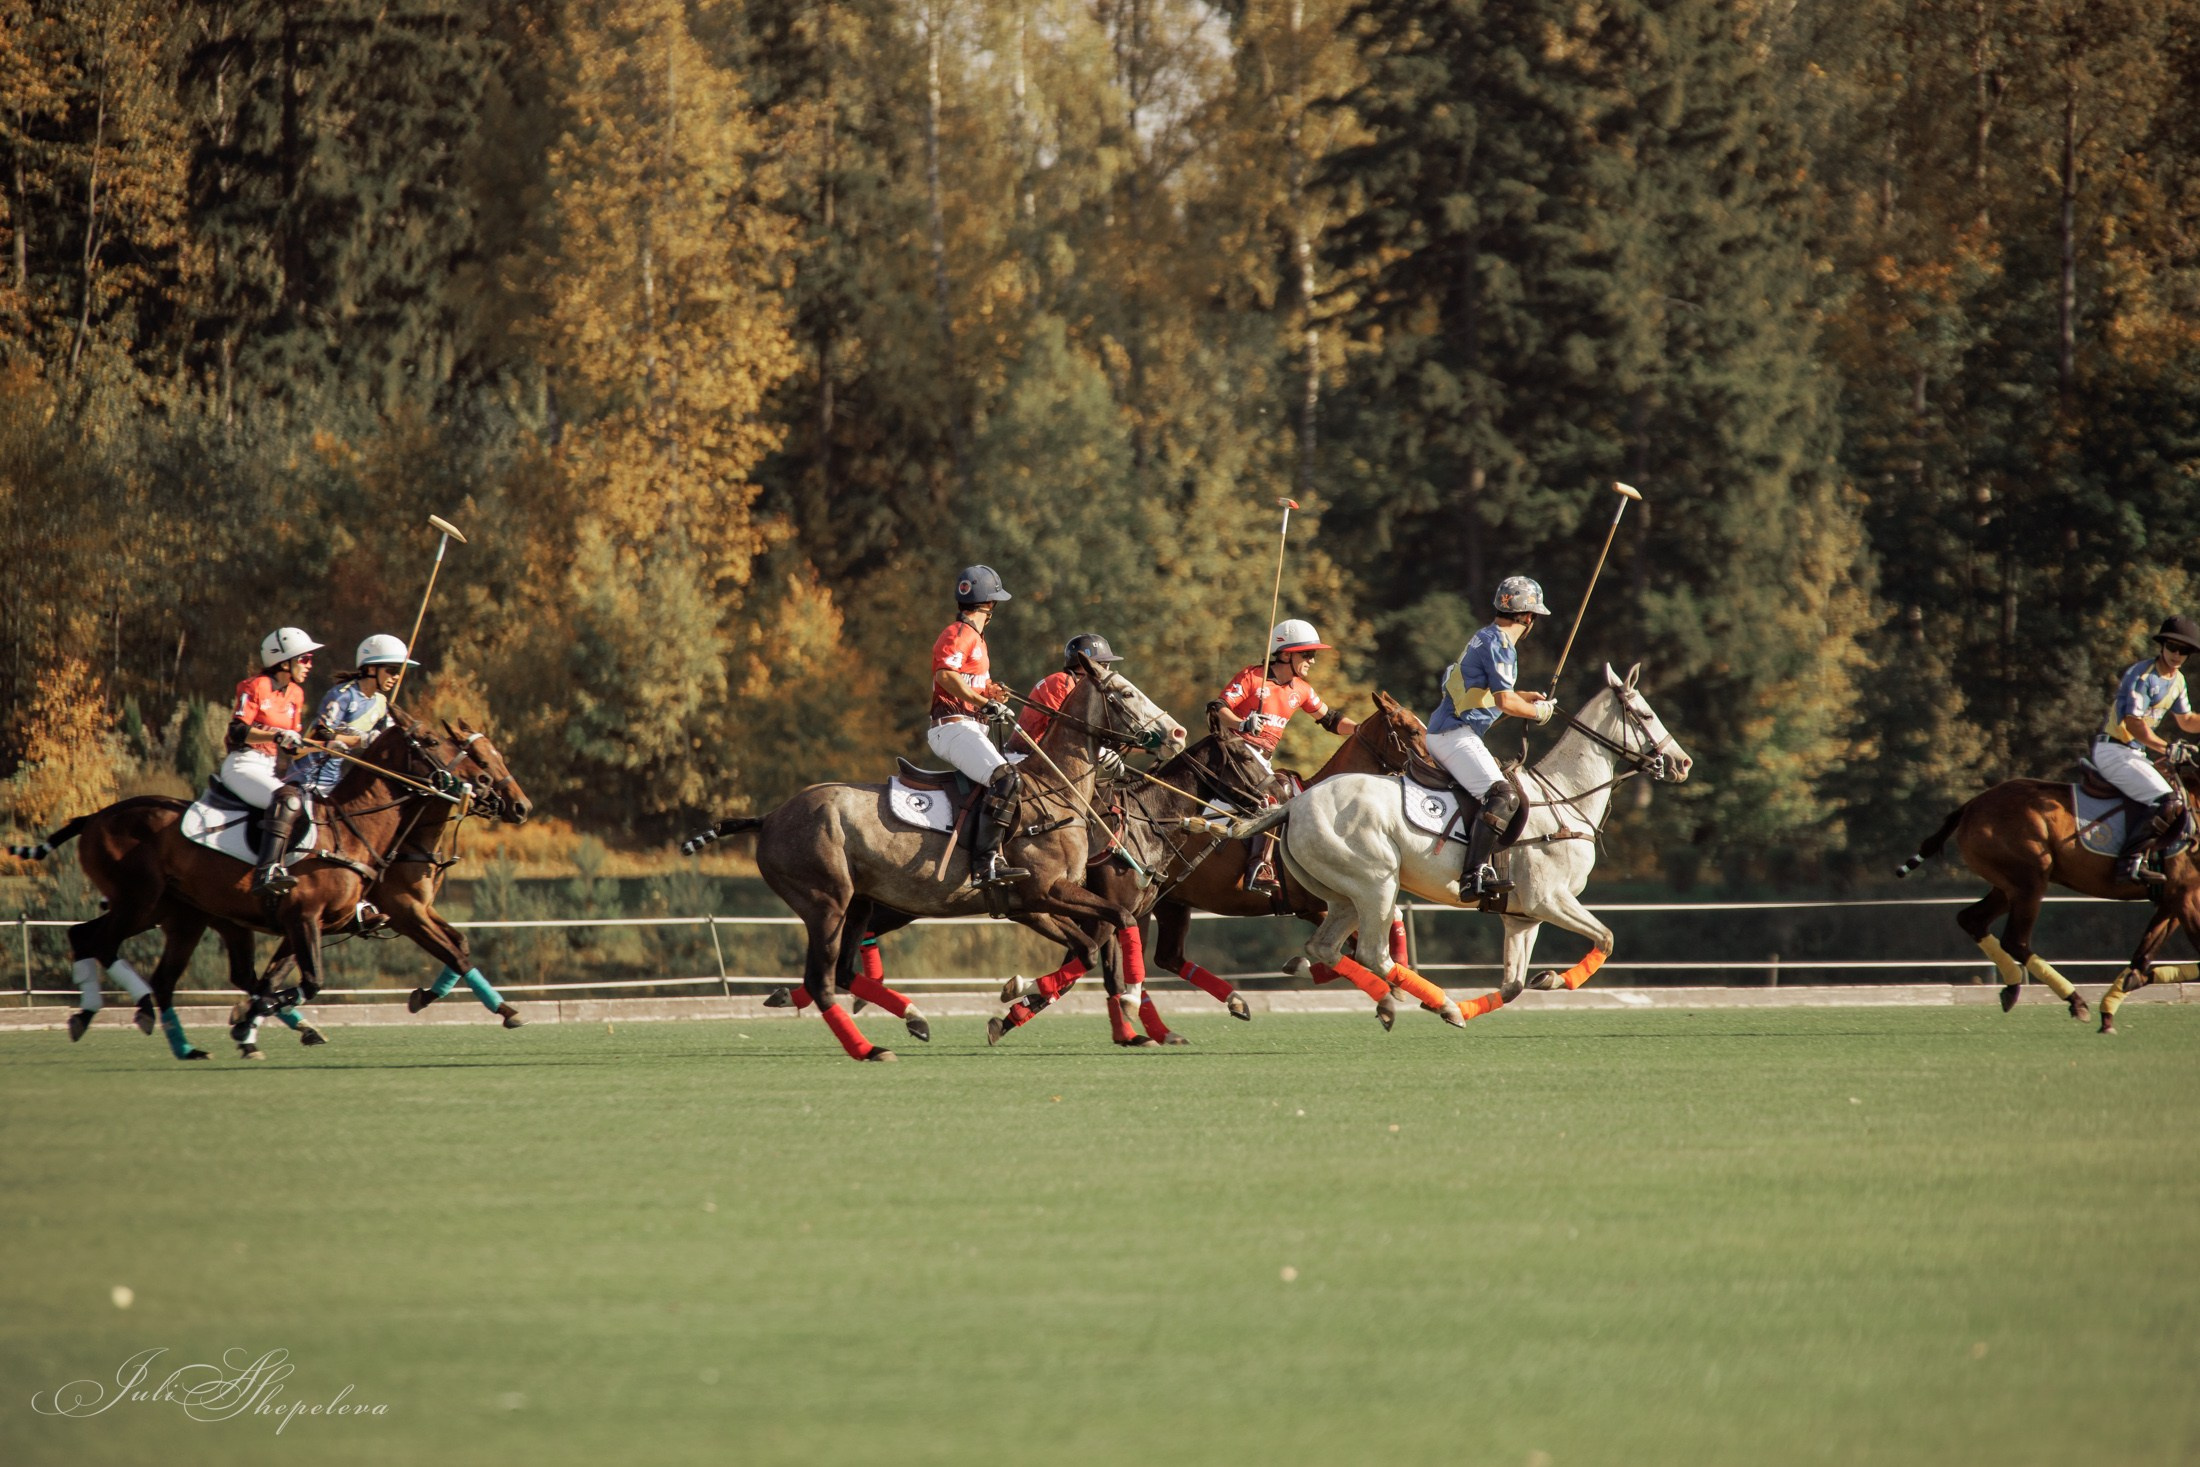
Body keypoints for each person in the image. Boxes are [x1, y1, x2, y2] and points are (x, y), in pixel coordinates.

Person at [1426, 576, 1558, 899]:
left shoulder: (1484, 636)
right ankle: (1473, 876)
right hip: (1452, 734)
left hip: (1448, 730)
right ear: (1528, 617)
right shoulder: (1501, 644)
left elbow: (1484, 695)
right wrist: (1538, 713)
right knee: (1504, 795)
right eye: (1534, 619)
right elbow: (1503, 702)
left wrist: (1522, 696)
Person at [1218, 619, 1357, 896]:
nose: (1312, 661)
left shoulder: (1301, 689)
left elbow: (1330, 720)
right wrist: (1241, 723)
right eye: (1307, 654)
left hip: (1262, 761)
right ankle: (1258, 867)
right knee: (1276, 790)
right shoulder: (1252, 677)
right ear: (1285, 653)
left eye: (1313, 655)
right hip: (1235, 754)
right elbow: (1218, 707)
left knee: (1298, 793)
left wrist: (1362, 731)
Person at [927, 565, 1022, 886]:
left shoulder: (976, 639)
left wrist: (990, 693)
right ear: (990, 604)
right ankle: (986, 865)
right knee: (1006, 779)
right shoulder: (959, 634)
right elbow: (945, 675)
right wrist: (984, 704)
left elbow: (968, 683)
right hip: (952, 727)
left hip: (969, 727)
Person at [2094, 615, 2200, 883]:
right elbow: (2134, 723)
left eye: (2184, 651)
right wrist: (2166, 748)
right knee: (2167, 800)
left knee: (2181, 798)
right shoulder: (2142, 675)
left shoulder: (2177, 682)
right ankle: (2129, 864)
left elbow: (2187, 721)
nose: (2177, 654)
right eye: (2172, 647)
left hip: (2135, 754)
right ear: (2162, 645)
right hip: (2114, 750)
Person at [222, 626, 322, 896]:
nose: (309, 665)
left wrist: (325, 746)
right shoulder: (256, 686)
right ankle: (266, 871)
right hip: (242, 765)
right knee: (287, 799)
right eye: (305, 659)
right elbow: (237, 731)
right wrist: (278, 735)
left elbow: (293, 750)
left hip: (268, 769)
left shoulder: (296, 695)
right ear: (284, 660)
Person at [286, 634, 416, 797]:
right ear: (371, 669)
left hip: (334, 782)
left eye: (399, 672)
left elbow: (389, 738)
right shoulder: (343, 695)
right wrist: (362, 740)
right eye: (392, 670)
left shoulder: (381, 703)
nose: (396, 677)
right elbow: (322, 733)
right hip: (306, 780)